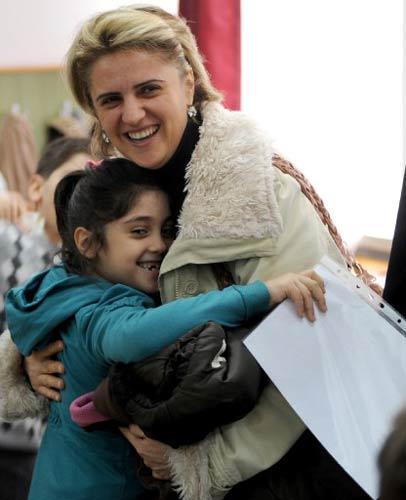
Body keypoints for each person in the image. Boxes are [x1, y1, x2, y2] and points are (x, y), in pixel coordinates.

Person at [1, 5, 373, 499]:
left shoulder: (260, 191)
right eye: (111, 99)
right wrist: (30, 360)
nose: (132, 114)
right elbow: (70, 285)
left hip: (276, 475)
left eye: (148, 89)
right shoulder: (118, 192)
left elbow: (316, 348)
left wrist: (205, 462)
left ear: (189, 83)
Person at [5, 158, 326, 500]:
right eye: (139, 231)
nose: (160, 244)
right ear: (87, 242)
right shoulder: (98, 311)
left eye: (167, 230)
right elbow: (130, 336)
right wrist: (258, 294)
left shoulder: (62, 288)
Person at [0, 137, 90, 500]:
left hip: (30, 451)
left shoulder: (86, 275)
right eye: (74, 178)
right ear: (36, 188)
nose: (83, 194)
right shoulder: (9, 242)